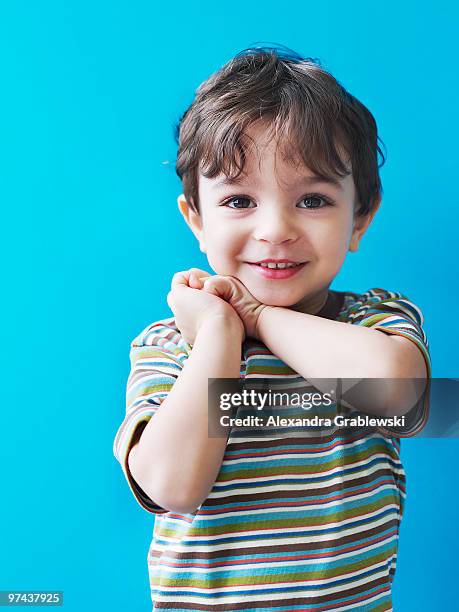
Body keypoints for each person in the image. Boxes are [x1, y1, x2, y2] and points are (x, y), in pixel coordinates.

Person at [113, 45, 431, 611]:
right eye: (238, 199)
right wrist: (218, 336)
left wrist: (258, 316)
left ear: (360, 218)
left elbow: (397, 399)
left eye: (312, 199)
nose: (275, 229)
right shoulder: (172, 344)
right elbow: (170, 485)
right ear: (197, 220)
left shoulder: (375, 322)